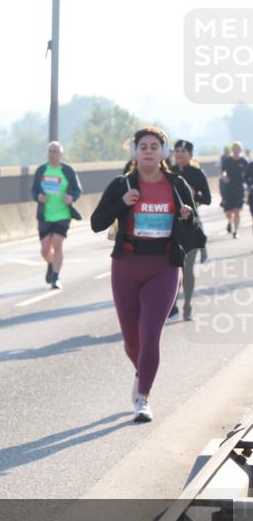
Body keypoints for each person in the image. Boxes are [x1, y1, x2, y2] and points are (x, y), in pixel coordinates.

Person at [91, 127, 197, 423]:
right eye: (143, 146)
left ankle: (142, 397)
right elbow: (96, 223)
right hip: (126, 265)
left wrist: (188, 217)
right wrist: (120, 204)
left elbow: (194, 231)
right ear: (134, 152)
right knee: (131, 341)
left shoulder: (177, 185)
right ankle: (142, 371)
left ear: (163, 152)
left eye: (154, 146)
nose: (149, 151)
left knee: (150, 334)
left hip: (163, 267)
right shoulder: (121, 184)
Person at [167, 139, 212, 321]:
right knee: (171, 269)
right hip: (171, 226)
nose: (179, 154)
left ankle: (188, 305)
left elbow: (208, 198)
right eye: (177, 150)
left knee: (187, 269)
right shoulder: (167, 173)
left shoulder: (197, 173)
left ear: (190, 155)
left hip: (190, 225)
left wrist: (195, 194)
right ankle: (171, 306)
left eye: (183, 151)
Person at [31, 141, 83, 290]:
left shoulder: (67, 171)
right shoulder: (41, 170)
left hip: (63, 214)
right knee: (45, 249)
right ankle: (50, 264)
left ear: (61, 154)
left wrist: (71, 198)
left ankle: (55, 277)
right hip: (45, 215)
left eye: (55, 151)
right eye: (50, 151)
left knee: (57, 243)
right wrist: (39, 197)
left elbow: (77, 190)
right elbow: (34, 191)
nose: (52, 154)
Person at [221, 141, 248, 238]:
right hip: (228, 189)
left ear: (240, 150)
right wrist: (224, 177)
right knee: (228, 212)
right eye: (234, 149)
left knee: (237, 211)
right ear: (232, 150)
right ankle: (229, 221)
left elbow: (248, 174)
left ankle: (235, 231)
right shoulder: (227, 161)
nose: (236, 151)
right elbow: (223, 171)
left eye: (238, 149)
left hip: (239, 190)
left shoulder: (244, 161)